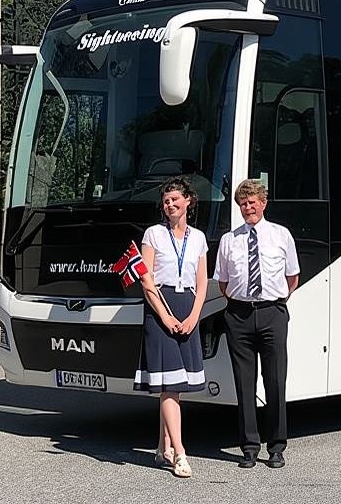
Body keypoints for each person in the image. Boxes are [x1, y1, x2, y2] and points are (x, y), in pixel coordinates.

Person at [213, 179, 300, 469]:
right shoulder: (229, 240)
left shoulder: (281, 235)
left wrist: (274, 300)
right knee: (244, 382)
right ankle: (249, 446)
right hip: (238, 315)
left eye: (252, 202)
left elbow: (292, 277)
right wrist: (242, 302)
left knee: (275, 380)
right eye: (243, 203)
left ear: (263, 203)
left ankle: (277, 447)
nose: (248, 207)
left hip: (272, 313)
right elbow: (223, 282)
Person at [134, 177, 209, 478]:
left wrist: (193, 316)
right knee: (170, 386)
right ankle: (180, 452)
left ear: (188, 201)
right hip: (160, 309)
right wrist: (165, 317)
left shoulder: (199, 238)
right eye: (166, 201)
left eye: (175, 199)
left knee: (176, 384)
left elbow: (202, 281)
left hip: (187, 306)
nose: (170, 205)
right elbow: (145, 278)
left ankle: (162, 446)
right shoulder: (153, 234)